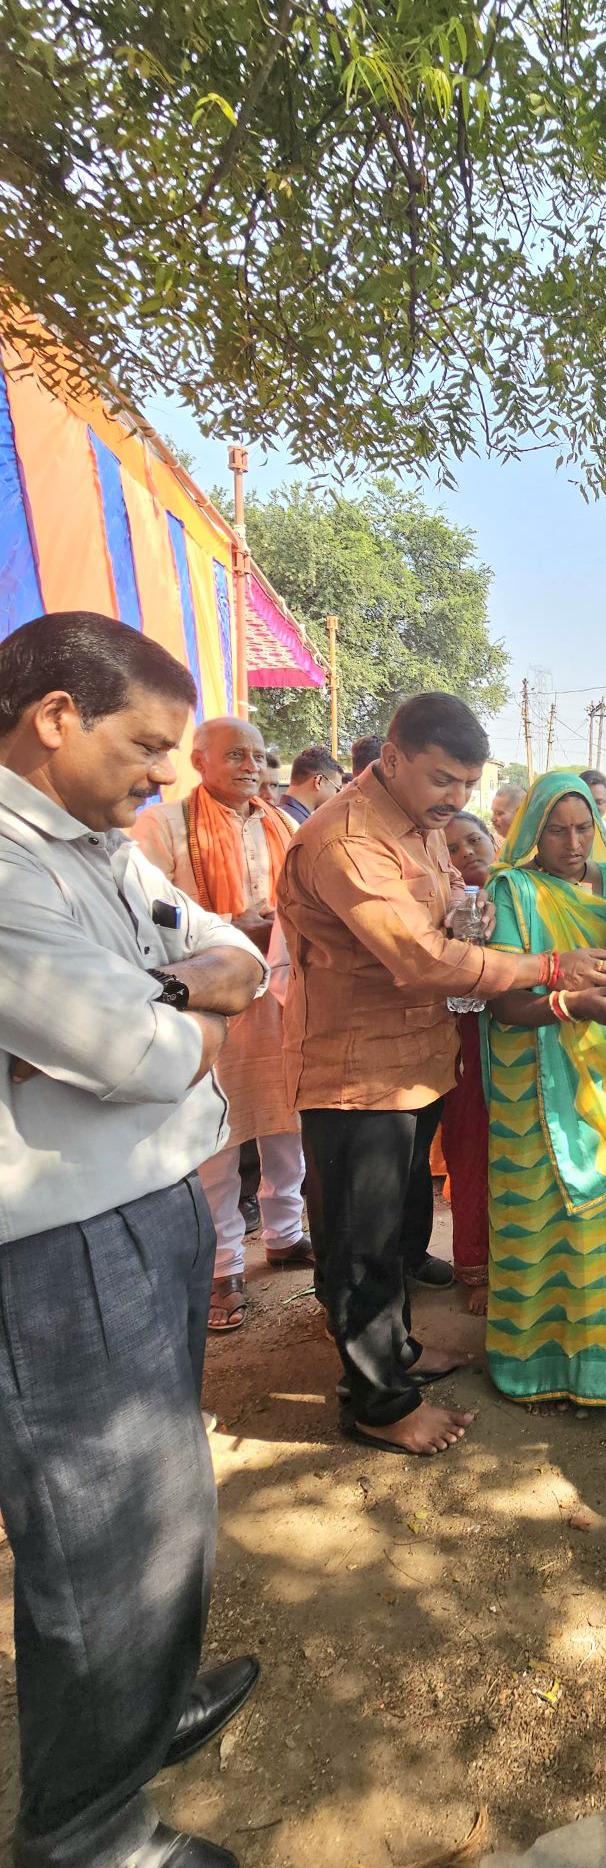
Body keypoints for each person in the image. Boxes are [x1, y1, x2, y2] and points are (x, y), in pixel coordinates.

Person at [0, 611, 268, 1868]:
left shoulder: (99, 846)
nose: (169, 772)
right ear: (57, 716)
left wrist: (168, 991)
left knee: (162, 1511)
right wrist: (177, 1006)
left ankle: (141, 1713)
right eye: (150, 745)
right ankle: (87, 1833)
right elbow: (150, 1053)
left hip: (150, 1206)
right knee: (99, 1540)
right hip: (59, 1246)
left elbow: (237, 951)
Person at [277, 692, 606, 1456]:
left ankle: (396, 1350)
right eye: (443, 779)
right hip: (358, 1075)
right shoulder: (346, 839)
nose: (457, 799)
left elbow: (436, 926)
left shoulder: (418, 824)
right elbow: (416, 957)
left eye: (468, 784)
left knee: (399, 1228)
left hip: (417, 1064)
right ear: (392, 758)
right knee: (360, 1241)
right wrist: (546, 965)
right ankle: (377, 1404)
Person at [482, 774, 606, 1407]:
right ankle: (535, 1360)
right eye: (556, 830)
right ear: (530, 832)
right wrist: (571, 1005)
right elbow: (505, 1003)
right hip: (535, 1077)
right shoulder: (511, 890)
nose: (572, 844)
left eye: (583, 828)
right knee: (541, 1212)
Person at [135, 716, 312, 1331]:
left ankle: (285, 1234)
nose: (251, 767)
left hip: (281, 996)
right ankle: (223, 1266)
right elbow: (145, 914)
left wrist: (275, 932)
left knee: (286, 1120)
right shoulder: (163, 825)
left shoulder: (284, 824)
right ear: (199, 761)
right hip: (208, 998)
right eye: (236, 754)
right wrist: (232, 930)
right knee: (216, 1130)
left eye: (258, 756)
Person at [437, 813, 497, 1317]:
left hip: (526, 1034)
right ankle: (476, 1266)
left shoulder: (524, 891)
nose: (466, 854)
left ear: (493, 840)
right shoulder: (441, 902)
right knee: (470, 1148)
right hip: (467, 1041)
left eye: (474, 840)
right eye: (452, 849)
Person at [279, 745, 343, 826]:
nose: (338, 796)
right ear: (319, 782)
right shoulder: (304, 827)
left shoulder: (273, 815)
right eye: (337, 789)